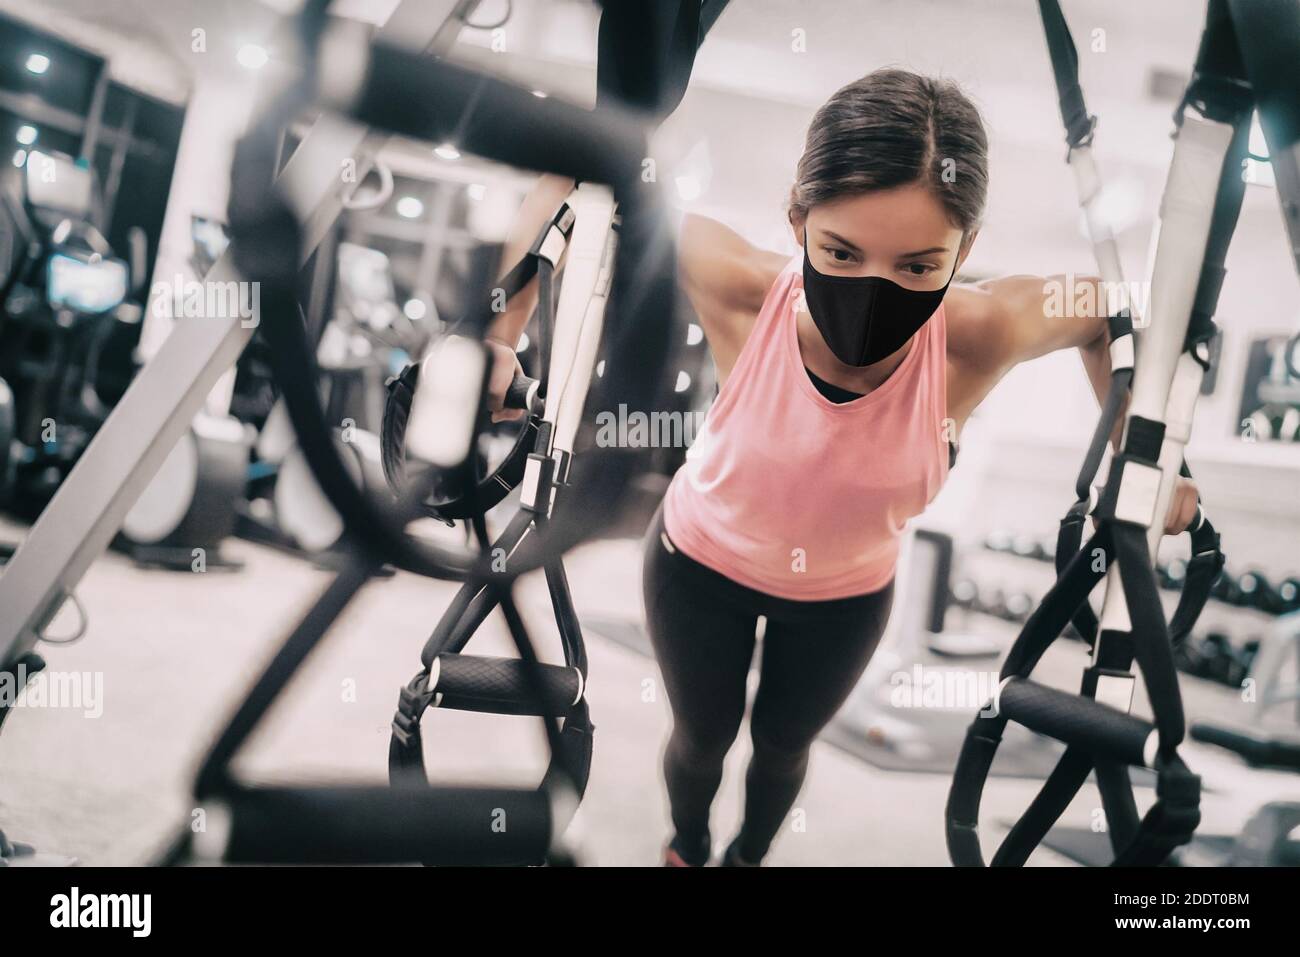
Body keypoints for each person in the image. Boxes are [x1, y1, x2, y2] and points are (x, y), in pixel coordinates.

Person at [481, 68, 1198, 867]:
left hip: (843, 599)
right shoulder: (742, 290)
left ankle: (746, 858)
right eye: (842, 251)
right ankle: (686, 849)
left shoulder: (980, 332)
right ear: (798, 219)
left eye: (920, 267)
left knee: (783, 748)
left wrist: (1146, 451)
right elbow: (575, 176)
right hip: (698, 563)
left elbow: (1115, 309)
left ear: (969, 251)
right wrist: (496, 339)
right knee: (703, 738)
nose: (874, 292)